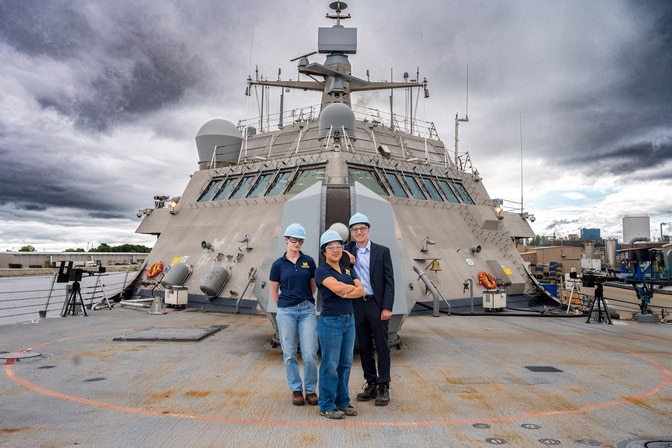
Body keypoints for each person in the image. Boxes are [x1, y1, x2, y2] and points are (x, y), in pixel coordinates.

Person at [344, 212, 395, 406]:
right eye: (355, 229)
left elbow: (389, 282)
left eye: (362, 229)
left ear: (368, 230)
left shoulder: (382, 251)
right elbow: (330, 253)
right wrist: (345, 253)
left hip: (376, 304)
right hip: (357, 304)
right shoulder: (347, 249)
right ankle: (371, 383)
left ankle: (384, 386)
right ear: (351, 232)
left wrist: (387, 307)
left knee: (382, 346)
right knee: (364, 346)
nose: (359, 232)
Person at [315, 229, 365, 419]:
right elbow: (336, 288)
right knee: (330, 364)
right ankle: (326, 405)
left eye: (338, 246)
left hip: (348, 320)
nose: (335, 250)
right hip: (331, 322)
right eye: (331, 247)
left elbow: (361, 291)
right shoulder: (322, 271)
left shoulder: (346, 269)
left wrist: (347, 291)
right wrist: (348, 289)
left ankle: (342, 401)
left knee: (345, 364)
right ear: (324, 251)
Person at [269, 223, 319, 406]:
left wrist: (303, 299)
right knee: (289, 353)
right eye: (294, 240)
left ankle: (311, 390)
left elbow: (312, 286)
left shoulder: (309, 261)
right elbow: (274, 290)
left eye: (300, 241)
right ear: (286, 240)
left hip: (306, 310)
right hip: (286, 312)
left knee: (310, 353)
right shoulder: (278, 265)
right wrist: (284, 305)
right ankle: (296, 390)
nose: (297, 243)